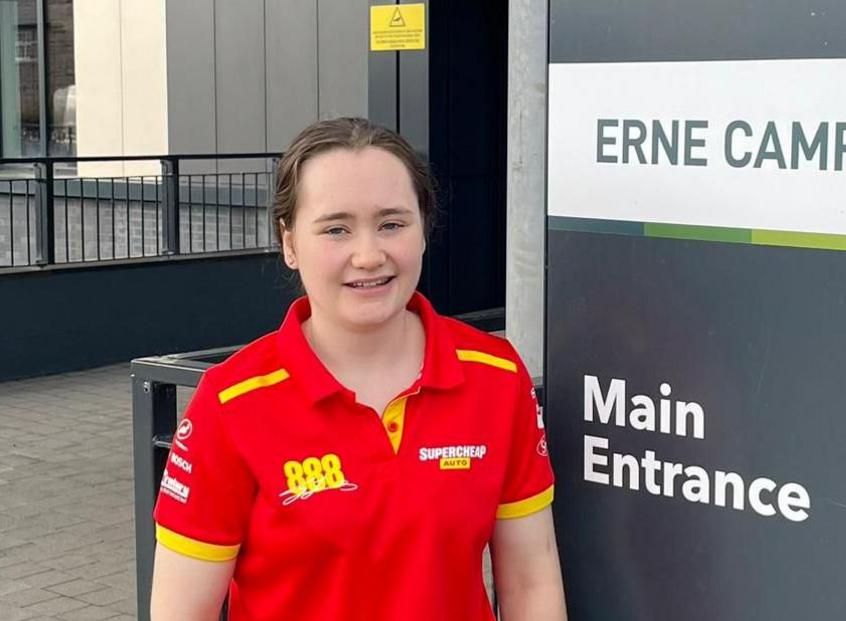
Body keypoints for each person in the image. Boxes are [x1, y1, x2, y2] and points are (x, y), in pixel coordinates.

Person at [149, 117, 567, 620]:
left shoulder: (496, 376)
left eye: (392, 223)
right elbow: (180, 611)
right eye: (336, 229)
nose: (369, 255)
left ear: (423, 230)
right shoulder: (231, 402)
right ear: (289, 243)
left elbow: (531, 578)